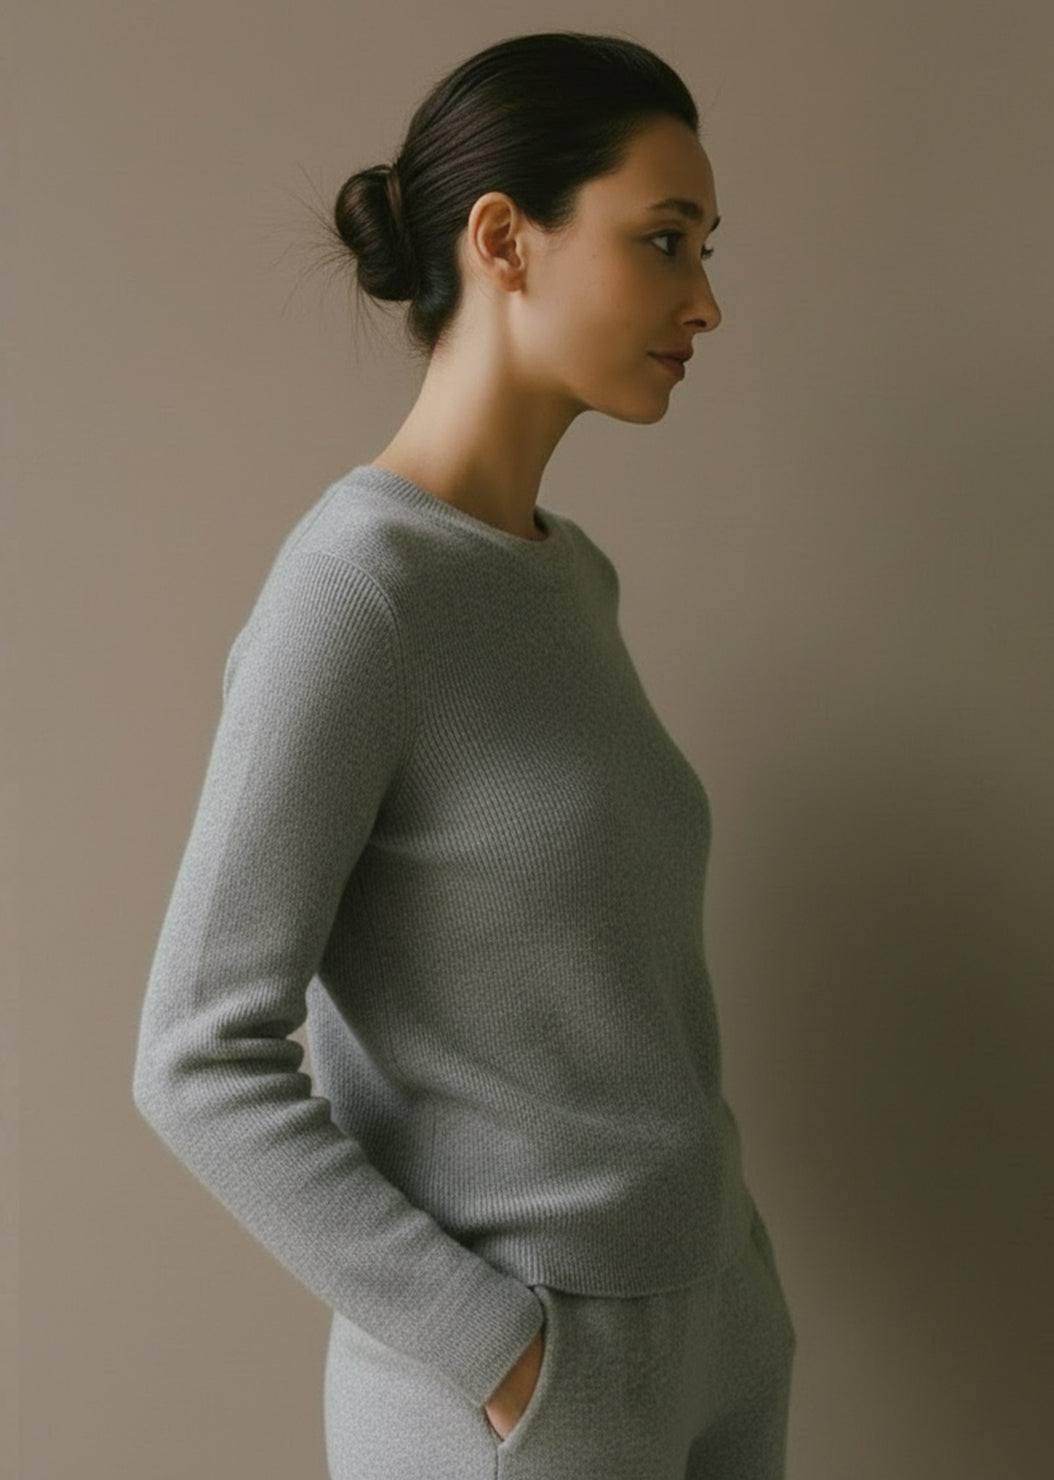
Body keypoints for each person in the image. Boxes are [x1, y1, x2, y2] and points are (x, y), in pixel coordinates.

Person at [131, 29, 796, 1479]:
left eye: (706, 248)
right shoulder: (357, 593)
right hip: (533, 1384)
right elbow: (195, 1055)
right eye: (664, 240)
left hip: (714, 1324)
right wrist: (496, 1351)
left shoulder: (570, 577)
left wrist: (726, 1278)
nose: (704, 299)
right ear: (503, 240)